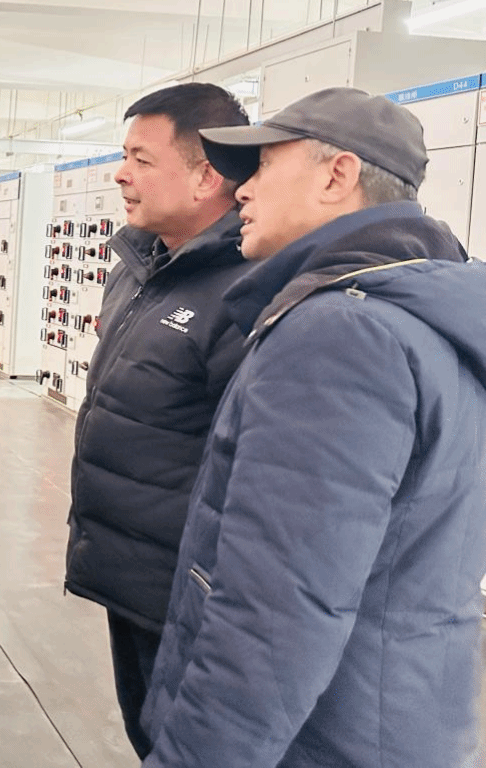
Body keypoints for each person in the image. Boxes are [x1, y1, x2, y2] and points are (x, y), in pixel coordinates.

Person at [141, 87, 486, 767]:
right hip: (393, 716)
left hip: (317, 738)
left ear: (338, 175)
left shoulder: (339, 334)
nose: (241, 190)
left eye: (264, 166)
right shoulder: (420, 316)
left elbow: (274, 615)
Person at [64, 82, 252, 758]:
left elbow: (250, 473)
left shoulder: (245, 290)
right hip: (130, 572)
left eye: (140, 159)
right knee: (147, 734)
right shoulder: (139, 268)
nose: (120, 174)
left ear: (206, 175)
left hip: (189, 590)